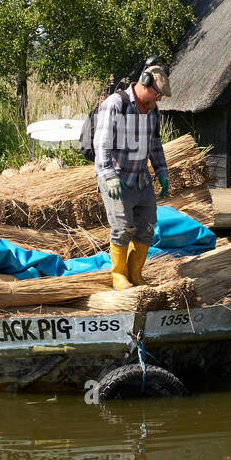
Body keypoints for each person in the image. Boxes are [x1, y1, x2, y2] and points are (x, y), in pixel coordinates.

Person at [93, 61, 170, 290]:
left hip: (141, 180)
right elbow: (102, 143)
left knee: (147, 228)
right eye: (158, 93)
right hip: (118, 180)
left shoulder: (153, 112)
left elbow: (155, 144)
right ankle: (119, 275)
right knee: (122, 228)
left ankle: (136, 274)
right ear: (145, 82)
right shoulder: (116, 104)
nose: (159, 99)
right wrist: (108, 174)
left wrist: (162, 172)